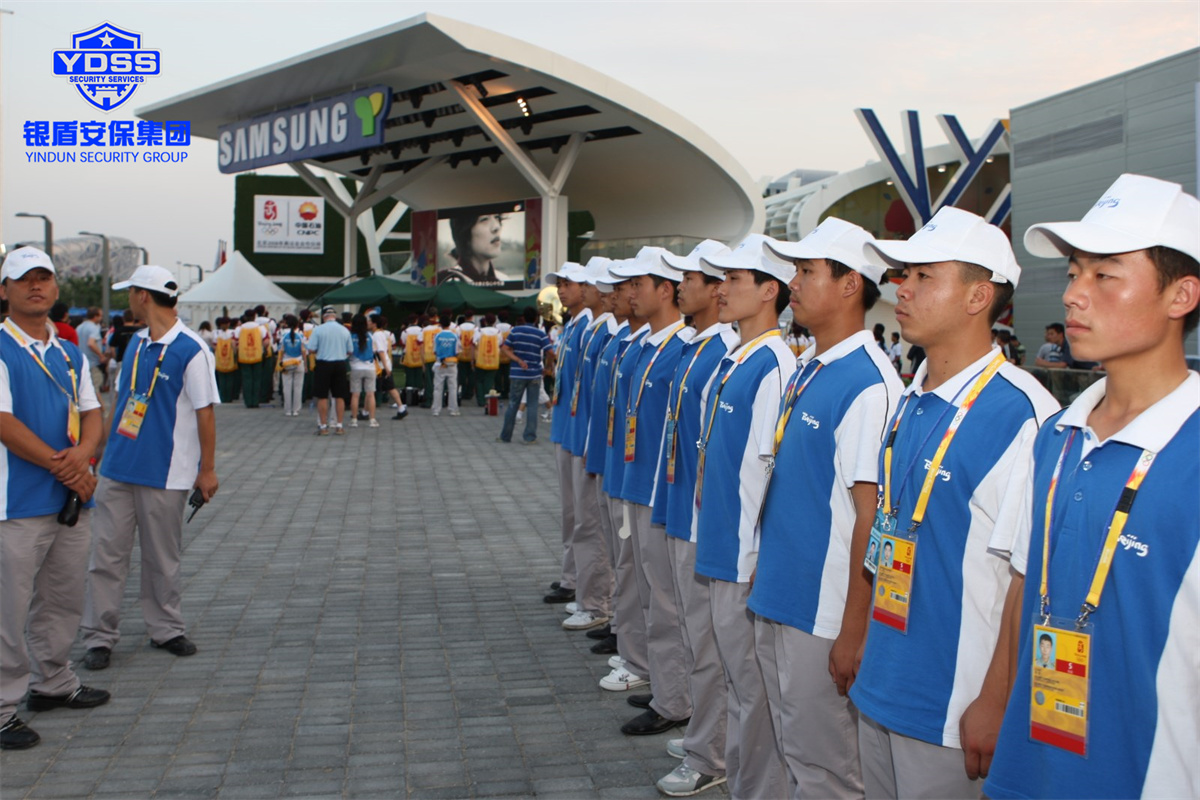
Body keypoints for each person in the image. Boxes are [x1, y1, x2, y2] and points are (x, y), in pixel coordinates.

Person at [985, 174, 1199, 800]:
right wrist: (995, 700)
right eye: (1074, 273)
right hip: (1030, 766)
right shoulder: (1056, 435)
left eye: (1104, 275)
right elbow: (1025, 582)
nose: (1073, 295)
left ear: (1181, 294)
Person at [849, 206, 1059, 799]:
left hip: (953, 705)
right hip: (882, 681)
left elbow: (1028, 582)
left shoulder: (1024, 415)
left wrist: (995, 699)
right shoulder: (912, 395)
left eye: (924, 276)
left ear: (978, 296)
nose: (902, 288)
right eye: (903, 275)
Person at [750, 220, 905, 800]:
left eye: (806, 271)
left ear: (849, 285)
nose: (792, 283)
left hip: (823, 611)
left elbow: (871, 516)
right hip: (781, 594)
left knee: (826, 769)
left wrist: (853, 629)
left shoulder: (870, 385)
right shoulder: (813, 366)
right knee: (793, 749)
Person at [691, 233, 797, 799]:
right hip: (719, 542)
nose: (721, 289)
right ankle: (737, 774)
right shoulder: (738, 356)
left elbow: (767, 470)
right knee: (737, 680)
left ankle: (755, 787)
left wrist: (756, 555)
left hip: (741, 552)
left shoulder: (775, 364)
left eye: (734, 279)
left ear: (769, 290)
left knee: (751, 688)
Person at [80, 264, 220, 671]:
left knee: (162, 557)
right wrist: (98, 454)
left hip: (167, 472)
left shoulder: (192, 349)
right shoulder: (137, 344)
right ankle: (99, 636)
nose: (128, 299)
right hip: (118, 468)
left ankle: (166, 628)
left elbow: (205, 413)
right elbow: (122, 401)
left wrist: (207, 470)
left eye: (130, 293)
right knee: (106, 556)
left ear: (143, 296)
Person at [0, 247, 110, 751]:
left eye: (44, 278)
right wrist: (64, 466)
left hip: (69, 499)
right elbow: (4, 422)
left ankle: (53, 681)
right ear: (5, 290)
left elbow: (92, 411)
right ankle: (3, 707)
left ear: (56, 287)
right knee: (8, 609)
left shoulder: (68, 351)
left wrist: (84, 458)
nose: (35, 286)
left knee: (62, 599)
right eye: (24, 279)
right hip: (15, 503)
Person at [649, 240, 739, 798]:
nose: (681, 287)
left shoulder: (730, 350)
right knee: (692, 632)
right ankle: (708, 733)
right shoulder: (697, 346)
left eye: (691, 279)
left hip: (707, 522)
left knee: (709, 644)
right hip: (682, 507)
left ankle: (712, 751)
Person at [610, 249, 695, 737]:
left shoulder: (682, 347)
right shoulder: (645, 344)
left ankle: (674, 698)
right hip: (637, 479)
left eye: (638, 284)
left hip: (662, 489)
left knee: (666, 601)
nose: (630, 294)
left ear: (666, 290)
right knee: (649, 592)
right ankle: (666, 683)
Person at [560, 259, 619, 635]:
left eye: (588, 284)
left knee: (593, 526)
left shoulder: (608, 332)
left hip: (595, 442)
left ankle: (597, 601)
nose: (583, 289)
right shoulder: (591, 328)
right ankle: (590, 594)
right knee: (582, 519)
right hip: (580, 434)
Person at [543, 263, 591, 604]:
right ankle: (570, 574)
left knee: (581, 514)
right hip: (565, 426)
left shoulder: (589, 326)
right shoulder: (572, 325)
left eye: (568, 283)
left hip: (579, 432)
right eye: (559, 284)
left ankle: (577, 580)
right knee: (569, 511)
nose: (561, 290)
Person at [499, 306, 553, 443]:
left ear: (523, 317)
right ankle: (529, 437)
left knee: (513, 404)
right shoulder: (540, 333)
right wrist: (547, 367)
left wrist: (518, 360)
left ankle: (505, 436)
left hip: (517, 373)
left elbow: (505, 349)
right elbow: (550, 352)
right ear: (536, 319)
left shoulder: (515, 331)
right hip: (534, 373)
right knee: (533, 405)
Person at [306, 305, 352, 435]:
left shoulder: (318, 330)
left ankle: (323, 426)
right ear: (335, 316)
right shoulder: (344, 330)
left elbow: (311, 348)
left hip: (323, 363)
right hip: (340, 363)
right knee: (339, 396)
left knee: (322, 396)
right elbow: (350, 350)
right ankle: (339, 425)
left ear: (324, 317)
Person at [440, 212, 506, 285]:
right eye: (484, 219)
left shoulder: (503, 279)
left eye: (497, 217)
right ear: (464, 233)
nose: (496, 227)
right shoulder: (449, 282)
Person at [371, 314, 407, 420]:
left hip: (381, 366)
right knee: (390, 388)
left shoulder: (376, 335)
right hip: (384, 364)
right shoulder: (382, 334)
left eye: (369, 321)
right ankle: (401, 408)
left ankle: (365, 411)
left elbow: (380, 351)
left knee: (371, 389)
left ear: (374, 324)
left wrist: (385, 367)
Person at [348, 313, 378, 428]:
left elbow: (348, 351)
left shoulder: (351, 337)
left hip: (355, 367)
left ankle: (354, 420)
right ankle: (372, 420)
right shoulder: (370, 335)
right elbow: (374, 350)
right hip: (370, 367)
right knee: (370, 394)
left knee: (355, 395)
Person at [234, 309, 267, 409]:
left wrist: (237, 352)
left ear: (245, 317)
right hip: (257, 356)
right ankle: (255, 401)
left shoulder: (239, 329)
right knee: (257, 379)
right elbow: (266, 342)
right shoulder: (261, 328)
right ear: (255, 316)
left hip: (244, 356)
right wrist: (263, 349)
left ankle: (248, 401)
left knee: (246, 379)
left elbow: (234, 343)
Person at [431, 315, 461, 417]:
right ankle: (453, 409)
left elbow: (435, 351)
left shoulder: (437, 336)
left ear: (440, 324)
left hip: (440, 363)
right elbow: (457, 351)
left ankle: (436, 410)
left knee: (438, 387)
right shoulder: (455, 336)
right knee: (453, 387)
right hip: (452, 364)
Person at [277, 314, 306, 417]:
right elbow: (303, 351)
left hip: (286, 363)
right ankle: (296, 409)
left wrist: (280, 363)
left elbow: (281, 350)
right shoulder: (301, 335)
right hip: (299, 362)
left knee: (287, 387)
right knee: (298, 387)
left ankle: (288, 409)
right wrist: (306, 365)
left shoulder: (283, 334)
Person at [74, 306, 106, 394]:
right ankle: (99, 404)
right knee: (96, 386)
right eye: (101, 316)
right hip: (93, 362)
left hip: (81, 361)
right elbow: (91, 343)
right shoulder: (94, 328)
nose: (101, 318)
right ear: (95, 316)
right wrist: (101, 355)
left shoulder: (79, 327)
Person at [473, 314, 501, 405]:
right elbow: (500, 343)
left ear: (485, 321)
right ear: (494, 322)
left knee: (479, 380)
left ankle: (480, 400)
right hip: (493, 359)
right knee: (489, 380)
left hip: (481, 358)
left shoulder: (479, 331)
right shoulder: (498, 332)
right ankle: (487, 400)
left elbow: (474, 342)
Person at [421, 314, 444, 409]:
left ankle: (429, 400)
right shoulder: (440, 329)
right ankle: (440, 401)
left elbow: (421, 346)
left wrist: (423, 361)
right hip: (439, 357)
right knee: (440, 380)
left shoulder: (424, 330)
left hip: (428, 357)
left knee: (429, 381)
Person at [457, 308, 477, 400]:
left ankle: (462, 392)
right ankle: (470, 393)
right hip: (472, 355)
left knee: (462, 375)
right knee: (472, 375)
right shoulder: (476, 328)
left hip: (461, 354)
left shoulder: (459, 328)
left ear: (465, 317)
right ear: (472, 317)